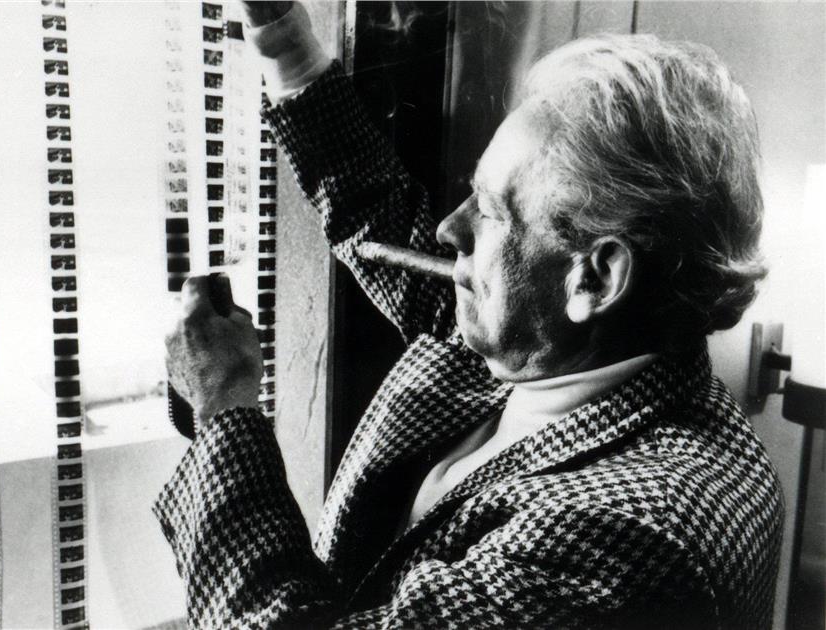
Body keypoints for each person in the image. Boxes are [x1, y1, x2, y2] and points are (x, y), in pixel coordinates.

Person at [158, 3, 783, 628]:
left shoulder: (634, 537)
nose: (449, 228)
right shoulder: (559, 339)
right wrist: (282, 39)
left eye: (490, 208)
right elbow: (376, 211)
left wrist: (224, 409)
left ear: (595, 278)